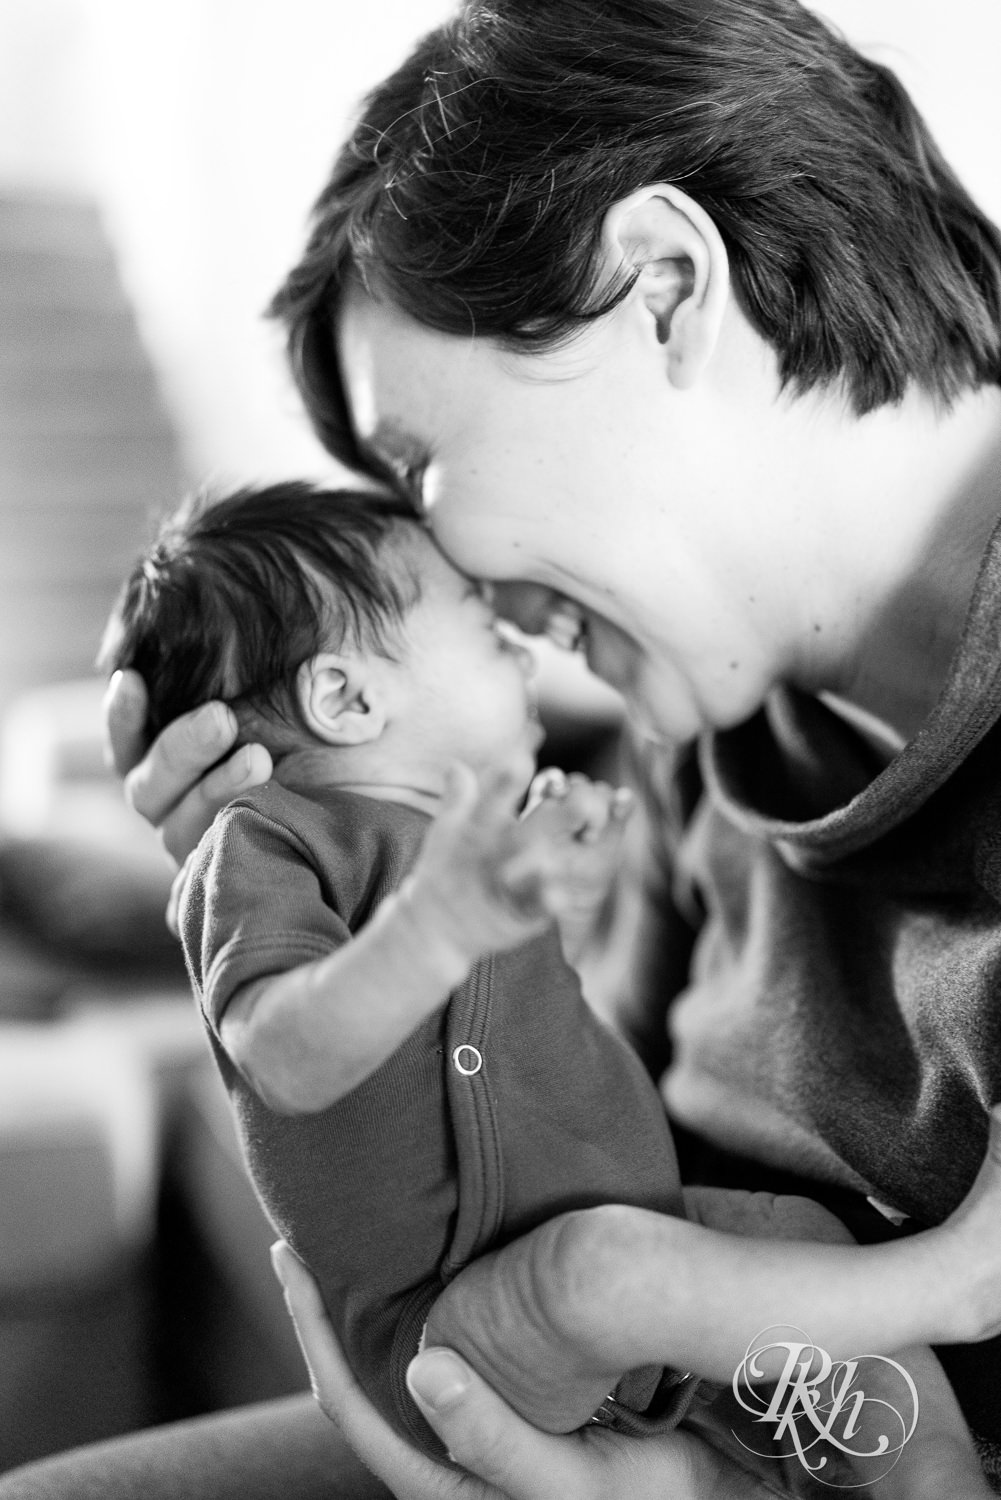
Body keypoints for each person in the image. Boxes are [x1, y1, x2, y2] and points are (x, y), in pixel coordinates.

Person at [4, 0, 1000, 1495]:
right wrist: (319, 849)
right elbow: (539, 1133)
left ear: (661, 286)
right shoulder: (702, 720)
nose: (449, 561)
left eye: (417, 464)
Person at [98, 479, 1000, 1492]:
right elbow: (279, 1055)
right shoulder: (263, 843)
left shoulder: (471, 840)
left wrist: (549, 876)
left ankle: (933, 1478)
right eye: (484, 629)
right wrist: (440, 925)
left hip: (634, 1273)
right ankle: (948, 1286)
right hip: (461, 1327)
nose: (522, 646)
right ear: (347, 699)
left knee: (796, 1238)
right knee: (596, 1270)